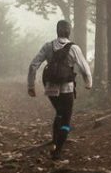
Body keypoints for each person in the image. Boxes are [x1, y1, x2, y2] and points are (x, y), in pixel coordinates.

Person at [27, 19, 92, 160]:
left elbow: (33, 65)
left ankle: (55, 142)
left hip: (50, 86)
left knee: (59, 113)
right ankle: (58, 151)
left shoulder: (48, 46)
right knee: (66, 119)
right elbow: (84, 68)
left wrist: (31, 86)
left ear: (57, 31)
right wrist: (88, 83)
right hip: (67, 88)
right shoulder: (74, 48)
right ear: (69, 32)